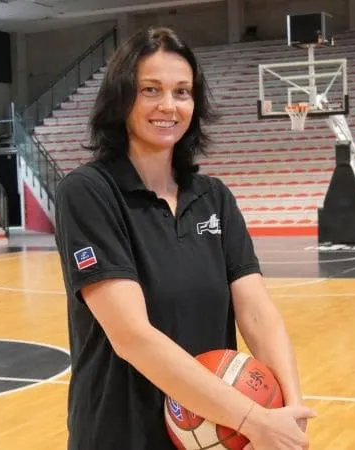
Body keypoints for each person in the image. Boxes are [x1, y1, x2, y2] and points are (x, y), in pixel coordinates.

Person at [53, 26, 316, 450]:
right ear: (121, 98)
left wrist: (290, 411)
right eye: (150, 90)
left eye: (182, 92)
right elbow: (131, 336)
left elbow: (256, 313)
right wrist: (254, 419)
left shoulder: (214, 197)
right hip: (120, 435)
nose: (168, 106)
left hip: (210, 435)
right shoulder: (89, 192)